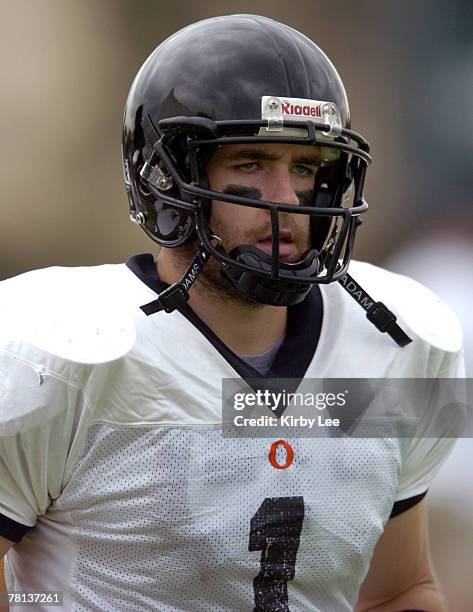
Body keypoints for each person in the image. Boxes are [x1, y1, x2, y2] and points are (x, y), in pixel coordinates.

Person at [0, 14, 464, 612]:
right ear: (169, 178)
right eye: (250, 163)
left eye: (305, 167)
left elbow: (398, 591)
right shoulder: (58, 354)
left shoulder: (400, 341)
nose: (286, 200)